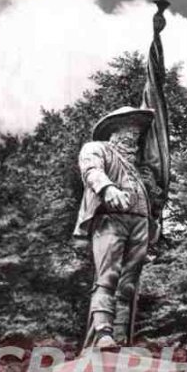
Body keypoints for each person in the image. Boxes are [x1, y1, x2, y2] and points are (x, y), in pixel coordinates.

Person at [74, 106, 163, 349]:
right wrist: (107, 188)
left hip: (140, 224)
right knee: (108, 277)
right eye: (127, 128)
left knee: (129, 285)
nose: (133, 135)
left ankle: (121, 338)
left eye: (136, 131)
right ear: (113, 131)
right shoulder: (96, 149)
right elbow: (91, 171)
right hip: (110, 220)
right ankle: (103, 332)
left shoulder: (138, 168)